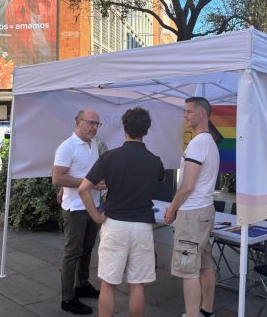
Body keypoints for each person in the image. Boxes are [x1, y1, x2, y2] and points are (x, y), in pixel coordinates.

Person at [79, 108, 165, 317]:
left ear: (124, 128)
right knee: (137, 285)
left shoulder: (110, 157)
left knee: (108, 283)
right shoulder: (154, 160)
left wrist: (96, 216)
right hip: (142, 227)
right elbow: (160, 177)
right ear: (146, 130)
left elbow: (83, 189)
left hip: (114, 224)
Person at [164, 97, 220, 317]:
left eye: (189, 112)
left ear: (202, 114)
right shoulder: (209, 142)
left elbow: (187, 185)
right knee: (205, 264)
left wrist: (172, 208)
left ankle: (192, 314)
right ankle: (206, 311)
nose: (185, 115)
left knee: (188, 270)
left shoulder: (198, 143)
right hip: (204, 210)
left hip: (193, 213)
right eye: (184, 111)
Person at [52, 110, 105, 315]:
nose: (94, 127)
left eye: (97, 124)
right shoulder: (67, 146)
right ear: (78, 122)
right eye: (91, 123)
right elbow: (58, 177)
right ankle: (68, 298)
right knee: (72, 252)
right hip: (75, 208)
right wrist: (87, 184)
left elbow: (77, 173)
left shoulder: (93, 145)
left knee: (87, 249)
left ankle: (82, 284)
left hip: (92, 206)